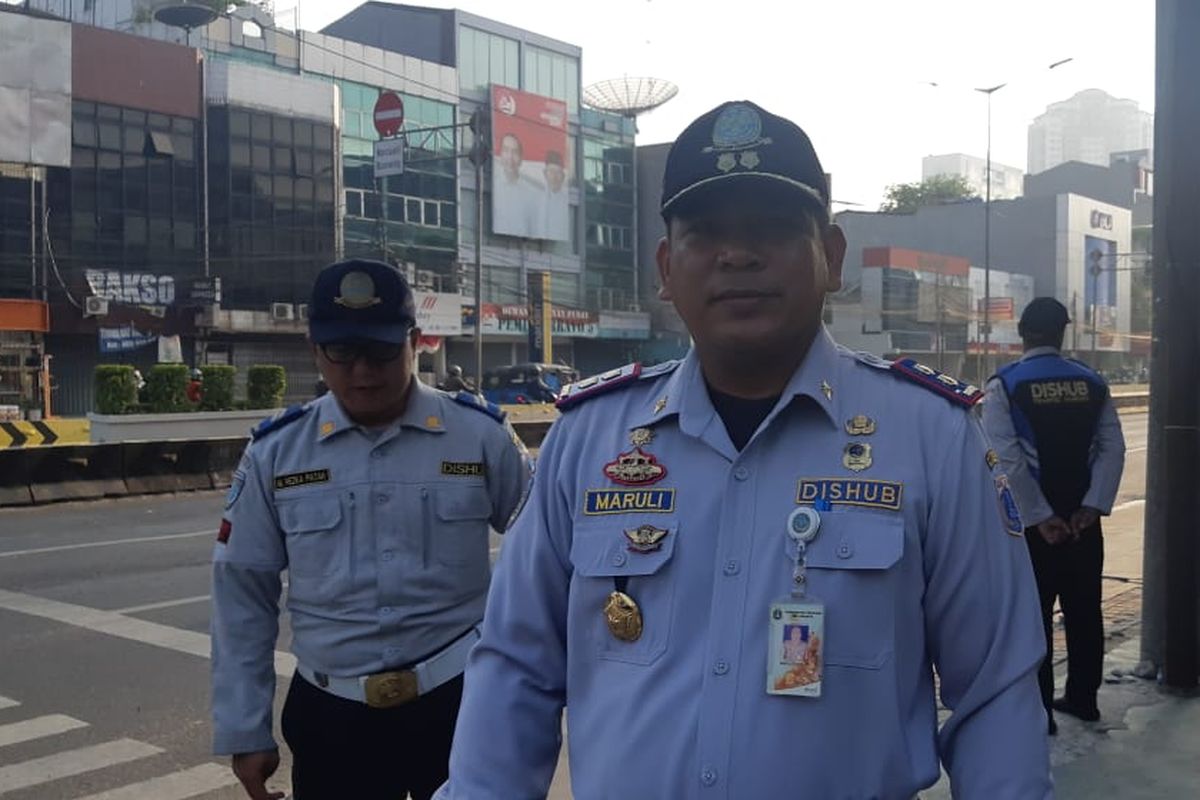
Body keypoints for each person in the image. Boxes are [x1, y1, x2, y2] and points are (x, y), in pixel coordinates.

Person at [437, 101, 1051, 798]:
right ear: (668, 268)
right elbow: (517, 665)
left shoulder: (931, 436)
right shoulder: (587, 438)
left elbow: (995, 690)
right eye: (705, 233)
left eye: (774, 228)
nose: (737, 254)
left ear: (834, 257)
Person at [211, 258, 532, 800]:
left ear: (416, 342)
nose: (362, 371)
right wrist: (245, 727)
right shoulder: (276, 454)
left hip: (462, 704)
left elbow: (545, 558)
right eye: (342, 352)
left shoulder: (480, 437)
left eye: (382, 352)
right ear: (316, 349)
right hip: (334, 718)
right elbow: (242, 593)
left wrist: (533, 690)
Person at [982, 296, 1125, 733]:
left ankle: (1040, 712)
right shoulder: (1092, 382)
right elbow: (1112, 449)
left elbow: (1005, 460)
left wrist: (1041, 518)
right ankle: (1084, 700)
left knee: (1034, 616)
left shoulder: (1006, 385)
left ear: (1023, 333)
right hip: (1083, 525)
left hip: (1033, 531)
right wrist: (1090, 508)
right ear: (1063, 332)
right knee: (1085, 612)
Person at [491, 132, 542, 237]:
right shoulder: (494, 187)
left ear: (521, 158)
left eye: (515, 152)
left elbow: (536, 228)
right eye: (506, 150)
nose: (509, 157)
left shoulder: (532, 194)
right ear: (500, 154)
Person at [540, 149, 570, 241]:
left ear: (563, 176)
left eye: (558, 172)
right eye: (551, 171)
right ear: (545, 174)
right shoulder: (538, 199)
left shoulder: (567, 202)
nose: (554, 177)